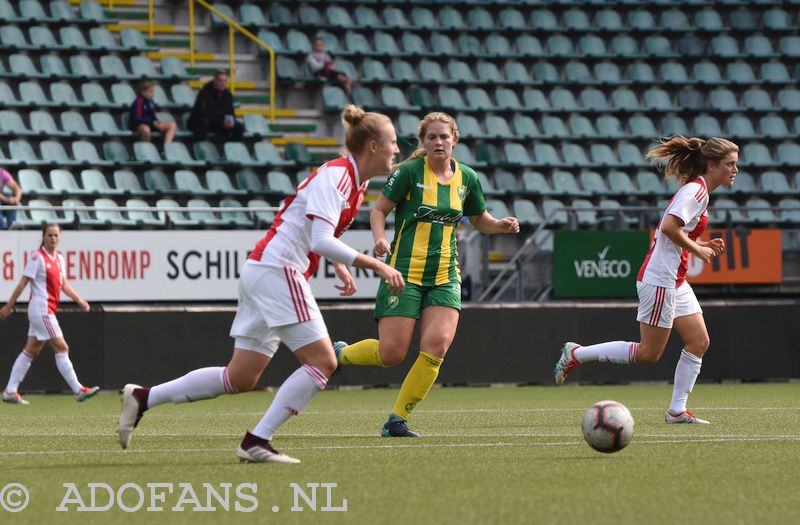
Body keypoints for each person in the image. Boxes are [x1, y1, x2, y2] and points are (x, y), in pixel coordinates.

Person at [118, 105, 405, 463]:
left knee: (240, 377)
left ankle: (144, 397)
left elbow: (316, 232)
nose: (397, 148)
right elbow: (318, 239)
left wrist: (339, 265)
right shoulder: (338, 177)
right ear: (374, 146)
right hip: (278, 269)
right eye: (393, 142)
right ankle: (257, 440)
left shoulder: (354, 182)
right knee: (323, 363)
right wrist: (372, 264)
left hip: (266, 268)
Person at [334, 112, 520, 437]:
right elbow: (379, 210)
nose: (438, 142)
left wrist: (500, 225)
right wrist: (379, 238)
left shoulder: (467, 179)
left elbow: (480, 219)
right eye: (431, 137)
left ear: (454, 140)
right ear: (424, 141)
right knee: (391, 354)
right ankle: (341, 353)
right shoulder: (407, 172)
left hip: (446, 275)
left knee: (437, 346)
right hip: (403, 273)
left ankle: (397, 419)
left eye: (444, 137)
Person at [553, 135, 739, 425]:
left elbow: (678, 230)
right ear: (712, 165)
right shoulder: (696, 192)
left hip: (675, 280)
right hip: (660, 279)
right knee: (649, 353)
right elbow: (668, 227)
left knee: (698, 341)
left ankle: (677, 410)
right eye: (730, 164)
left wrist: (699, 242)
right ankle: (578, 353)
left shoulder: (701, 191)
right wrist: (699, 248)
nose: (735, 170)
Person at [0, 224, 99, 404]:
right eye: (49, 235)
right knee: (62, 348)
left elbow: (64, 285)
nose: (53, 239)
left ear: (59, 238)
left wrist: (79, 299)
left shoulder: (59, 259)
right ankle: (78, 390)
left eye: (56, 235)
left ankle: (10, 391)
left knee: (31, 350)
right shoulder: (37, 258)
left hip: (45, 310)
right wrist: (8, 306)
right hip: (41, 310)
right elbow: (22, 284)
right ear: (43, 237)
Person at [187, 69, 244, 141]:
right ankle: (197, 148)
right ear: (215, 81)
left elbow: (231, 112)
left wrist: (230, 122)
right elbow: (202, 113)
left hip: (218, 124)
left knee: (239, 127)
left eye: (225, 81)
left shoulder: (228, 94)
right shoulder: (204, 92)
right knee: (204, 123)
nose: (222, 83)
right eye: (220, 80)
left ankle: (234, 150)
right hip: (199, 122)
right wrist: (221, 122)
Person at [128, 80, 177, 144]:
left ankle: (167, 147)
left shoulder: (151, 102)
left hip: (151, 124)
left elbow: (152, 116)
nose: (153, 94)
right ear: (143, 92)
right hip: (140, 125)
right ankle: (147, 149)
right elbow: (137, 119)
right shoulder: (138, 102)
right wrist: (151, 122)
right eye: (151, 92)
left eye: (153, 91)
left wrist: (157, 121)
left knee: (172, 125)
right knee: (146, 129)